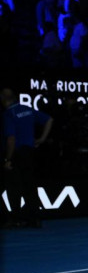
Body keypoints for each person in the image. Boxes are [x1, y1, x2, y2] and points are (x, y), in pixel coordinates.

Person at [2, 88, 53, 228]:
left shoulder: (9, 114)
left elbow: (11, 139)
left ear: (4, 100)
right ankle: (34, 219)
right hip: (29, 153)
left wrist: (8, 159)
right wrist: (42, 139)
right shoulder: (28, 109)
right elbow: (49, 119)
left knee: (14, 187)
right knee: (29, 186)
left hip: (16, 153)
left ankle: (16, 219)